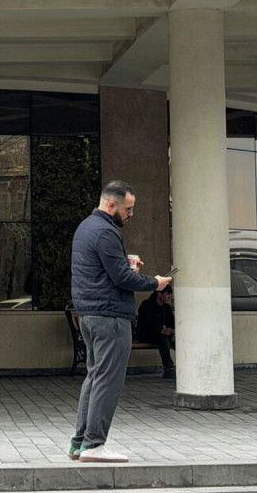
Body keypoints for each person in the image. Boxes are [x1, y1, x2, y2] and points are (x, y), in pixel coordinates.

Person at [68, 181, 171, 464]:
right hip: (110, 317)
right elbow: (122, 278)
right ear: (111, 204)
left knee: (94, 378)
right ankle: (94, 445)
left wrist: (127, 264)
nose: (131, 214)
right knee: (108, 381)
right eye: (128, 209)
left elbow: (105, 270)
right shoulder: (106, 232)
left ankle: (79, 444)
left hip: (90, 315)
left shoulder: (86, 227)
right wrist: (155, 283)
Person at [136, 286, 175, 379]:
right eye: (167, 294)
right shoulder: (147, 305)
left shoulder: (166, 307)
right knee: (162, 339)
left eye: (170, 294)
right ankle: (168, 367)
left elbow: (172, 322)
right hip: (147, 335)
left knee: (176, 339)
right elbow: (145, 324)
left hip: (163, 335)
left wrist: (170, 329)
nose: (169, 297)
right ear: (159, 294)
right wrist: (161, 330)